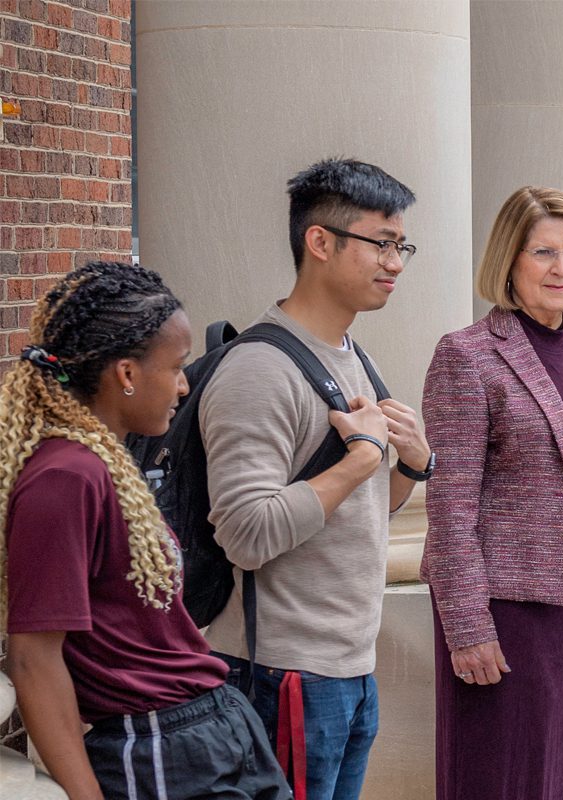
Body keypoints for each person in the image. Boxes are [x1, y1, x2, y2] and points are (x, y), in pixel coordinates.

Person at [2, 261, 291, 800]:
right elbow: (32, 658)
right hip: (158, 746)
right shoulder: (65, 476)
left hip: (208, 723)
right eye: (177, 366)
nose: (185, 384)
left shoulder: (102, 461)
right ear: (128, 375)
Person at [200, 158, 432, 800]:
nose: (396, 263)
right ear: (320, 241)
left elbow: (359, 513)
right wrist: (359, 459)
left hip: (348, 667)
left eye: (402, 245)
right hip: (283, 671)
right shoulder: (261, 370)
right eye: (381, 244)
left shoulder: (354, 356)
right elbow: (245, 534)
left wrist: (408, 462)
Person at [421, 185, 563, 800]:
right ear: (509, 260)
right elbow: (449, 507)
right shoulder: (467, 356)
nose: (561, 269)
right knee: (500, 774)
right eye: (543, 252)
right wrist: (467, 625)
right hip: (504, 610)